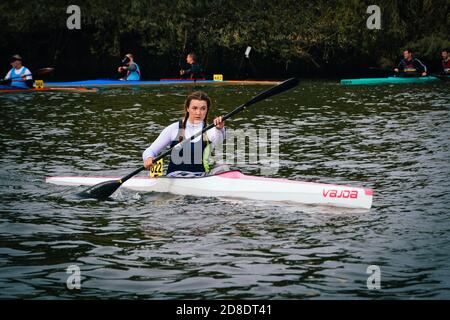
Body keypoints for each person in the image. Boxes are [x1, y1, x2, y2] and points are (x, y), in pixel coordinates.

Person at [143, 91, 225, 177]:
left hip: (200, 177)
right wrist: (149, 158)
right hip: (175, 177)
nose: (198, 113)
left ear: (207, 110)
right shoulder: (173, 129)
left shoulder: (210, 130)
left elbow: (219, 141)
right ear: (187, 108)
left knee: (224, 167)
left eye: (203, 108)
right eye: (194, 108)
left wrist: (220, 129)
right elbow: (150, 151)